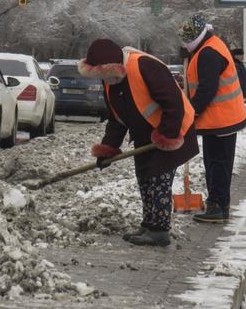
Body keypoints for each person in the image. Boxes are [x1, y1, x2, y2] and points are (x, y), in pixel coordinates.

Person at [79, 38, 198, 246]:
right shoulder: (110, 81)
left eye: (108, 75)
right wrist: (107, 149)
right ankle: (149, 224)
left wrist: (166, 135)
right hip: (145, 136)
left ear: (115, 67)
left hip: (174, 130)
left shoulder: (145, 66)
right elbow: (116, 118)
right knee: (144, 176)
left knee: (158, 178)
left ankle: (160, 230)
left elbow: (173, 102)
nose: (107, 81)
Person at [178, 15, 246, 224]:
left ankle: (217, 206)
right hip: (219, 119)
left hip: (222, 119)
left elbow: (207, 89)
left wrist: (191, 112)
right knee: (216, 162)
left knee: (218, 163)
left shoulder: (208, 52)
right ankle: (219, 205)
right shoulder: (209, 46)